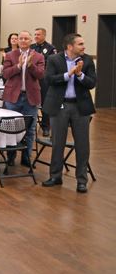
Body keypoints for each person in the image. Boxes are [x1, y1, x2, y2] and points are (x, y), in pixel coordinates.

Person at [41, 34, 96, 193]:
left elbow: (92, 83)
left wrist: (79, 75)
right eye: (80, 44)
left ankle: (81, 180)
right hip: (60, 105)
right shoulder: (54, 59)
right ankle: (55, 176)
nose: (84, 46)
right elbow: (49, 79)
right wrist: (68, 74)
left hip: (80, 107)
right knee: (57, 143)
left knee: (82, 145)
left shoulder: (87, 60)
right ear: (70, 46)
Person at [2, 30, 45, 167]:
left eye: (26, 38)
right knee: (11, 127)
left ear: (31, 41)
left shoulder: (38, 56)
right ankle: (11, 156)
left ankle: (26, 157)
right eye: (21, 38)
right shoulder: (10, 55)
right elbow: (6, 74)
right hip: (13, 97)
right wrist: (19, 66)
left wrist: (30, 65)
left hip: (30, 97)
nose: (23, 40)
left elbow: (41, 75)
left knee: (30, 129)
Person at [31, 27, 56, 137]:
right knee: (31, 101)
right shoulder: (31, 47)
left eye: (38, 34)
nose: (36, 36)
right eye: (35, 34)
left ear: (44, 36)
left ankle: (46, 126)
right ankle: (30, 125)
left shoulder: (50, 48)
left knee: (45, 103)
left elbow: (51, 63)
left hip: (43, 79)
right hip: (31, 78)